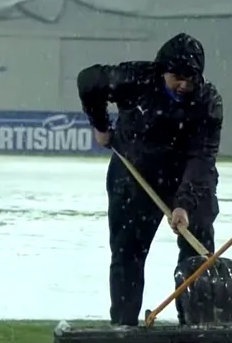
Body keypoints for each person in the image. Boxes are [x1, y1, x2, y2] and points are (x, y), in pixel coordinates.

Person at [77, 33, 224, 328]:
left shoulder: (208, 103)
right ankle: (124, 324)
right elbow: (87, 81)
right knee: (128, 251)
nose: (184, 85)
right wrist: (101, 125)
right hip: (134, 174)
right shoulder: (136, 78)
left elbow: (202, 159)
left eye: (191, 78)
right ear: (162, 72)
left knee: (198, 249)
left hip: (186, 177)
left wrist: (183, 205)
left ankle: (197, 321)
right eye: (177, 78)